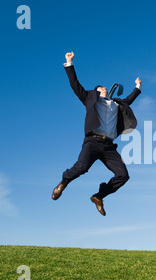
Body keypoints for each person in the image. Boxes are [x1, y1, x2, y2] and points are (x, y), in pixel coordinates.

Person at [52, 52, 142, 216]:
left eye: (104, 87)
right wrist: (69, 62)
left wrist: (137, 87)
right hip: (92, 142)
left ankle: (99, 196)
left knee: (123, 175)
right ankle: (63, 183)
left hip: (108, 146)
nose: (105, 88)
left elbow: (129, 99)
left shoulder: (116, 103)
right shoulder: (89, 98)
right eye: (101, 87)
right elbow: (75, 84)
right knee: (82, 167)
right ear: (97, 91)